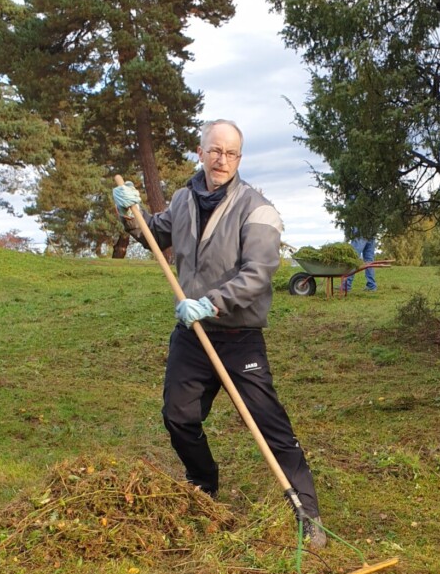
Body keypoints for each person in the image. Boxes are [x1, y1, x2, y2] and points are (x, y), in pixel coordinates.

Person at [113, 120, 326, 547]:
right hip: (191, 334)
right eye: (214, 150)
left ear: (239, 159)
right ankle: (204, 484)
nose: (221, 159)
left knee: (271, 426)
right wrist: (128, 213)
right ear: (200, 151)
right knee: (178, 415)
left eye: (230, 153)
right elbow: (155, 235)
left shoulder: (258, 209)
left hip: (238, 333)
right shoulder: (182, 198)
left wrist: (210, 302)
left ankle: (307, 513)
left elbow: (259, 273)